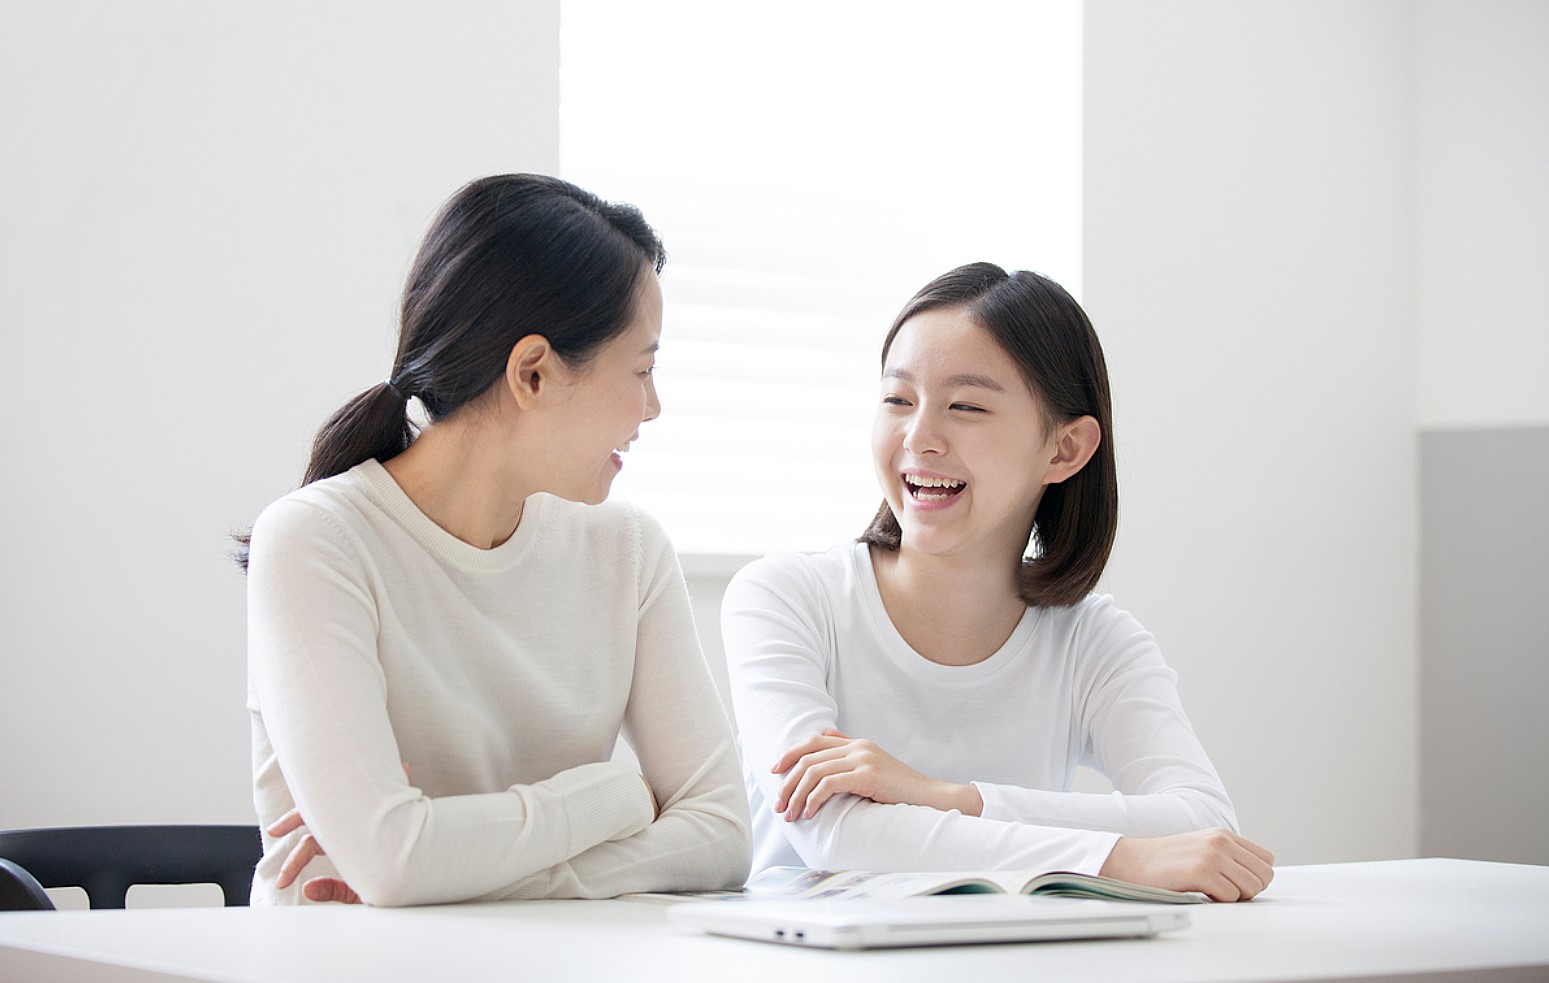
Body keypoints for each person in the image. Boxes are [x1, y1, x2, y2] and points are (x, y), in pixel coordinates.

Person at [240, 174, 750, 906]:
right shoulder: (316, 540)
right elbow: (393, 860)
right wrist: (615, 795)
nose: (653, 406)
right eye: (641, 369)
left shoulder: (627, 550)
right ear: (533, 372)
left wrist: (463, 865)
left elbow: (723, 835)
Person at [721, 263, 1274, 902]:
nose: (919, 437)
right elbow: (836, 835)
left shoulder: (1093, 640)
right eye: (897, 399)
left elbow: (1202, 820)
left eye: (966, 406)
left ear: (1064, 449)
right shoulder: (785, 597)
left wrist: (944, 796)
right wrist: (1120, 860)